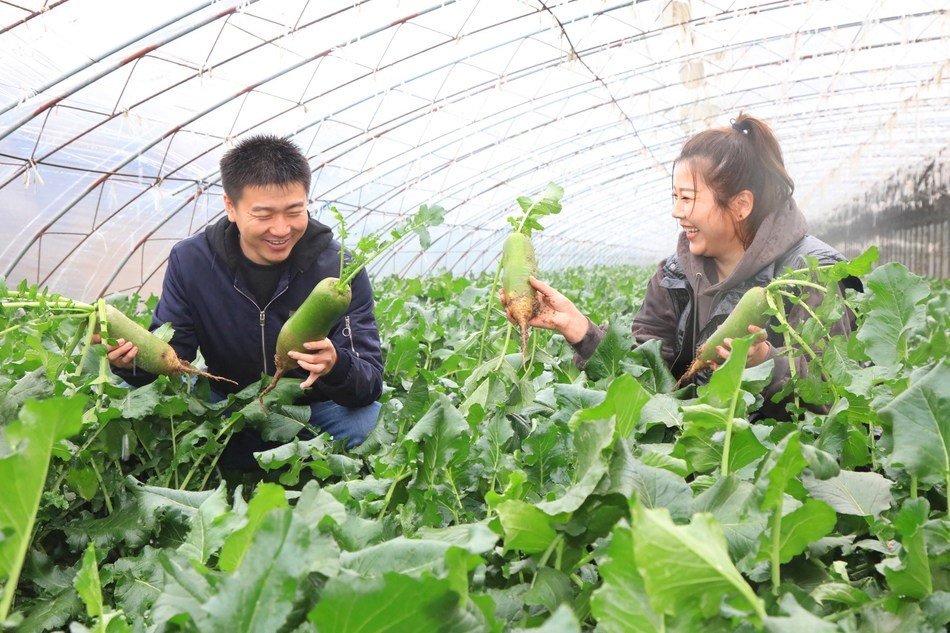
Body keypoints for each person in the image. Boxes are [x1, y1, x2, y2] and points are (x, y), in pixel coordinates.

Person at [503, 114, 858, 416]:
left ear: (741, 205)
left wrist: (767, 363)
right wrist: (581, 331)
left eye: (687, 198)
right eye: (674, 198)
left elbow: (836, 397)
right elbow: (646, 379)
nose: (677, 212)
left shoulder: (812, 276)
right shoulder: (672, 277)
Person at [101, 134, 383, 467]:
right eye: (263, 215)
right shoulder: (191, 260)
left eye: (295, 211)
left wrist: (337, 365)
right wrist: (131, 364)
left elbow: (369, 381)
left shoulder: (340, 270)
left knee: (366, 426)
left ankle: (260, 459)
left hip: (312, 409)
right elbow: (174, 356)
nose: (281, 229)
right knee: (129, 404)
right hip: (227, 402)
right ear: (231, 207)